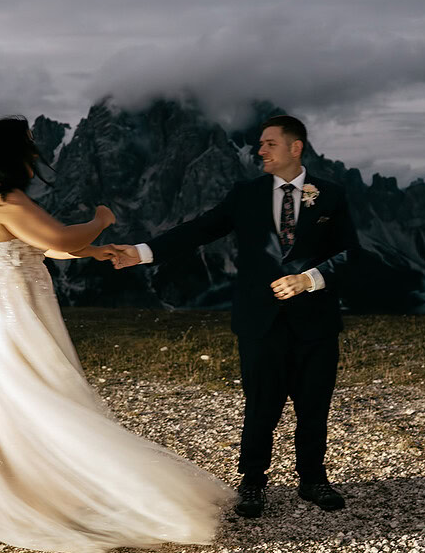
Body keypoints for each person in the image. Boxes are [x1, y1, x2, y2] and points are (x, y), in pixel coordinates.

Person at [0, 116, 233, 553]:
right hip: (12, 302)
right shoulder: (7, 196)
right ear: (12, 152)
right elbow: (59, 235)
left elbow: (46, 244)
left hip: (9, 297)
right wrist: (100, 220)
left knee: (0, 388)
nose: (35, 150)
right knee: (30, 389)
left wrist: (90, 250)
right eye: (29, 142)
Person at [113, 114, 360, 518]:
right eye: (260, 144)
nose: (259, 150)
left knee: (314, 404)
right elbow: (199, 230)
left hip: (316, 321)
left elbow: (352, 253)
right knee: (260, 404)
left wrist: (310, 279)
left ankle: (314, 480)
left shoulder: (331, 195)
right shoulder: (245, 194)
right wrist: (141, 252)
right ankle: (252, 483)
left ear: (295, 148)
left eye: (269, 144)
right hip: (259, 321)